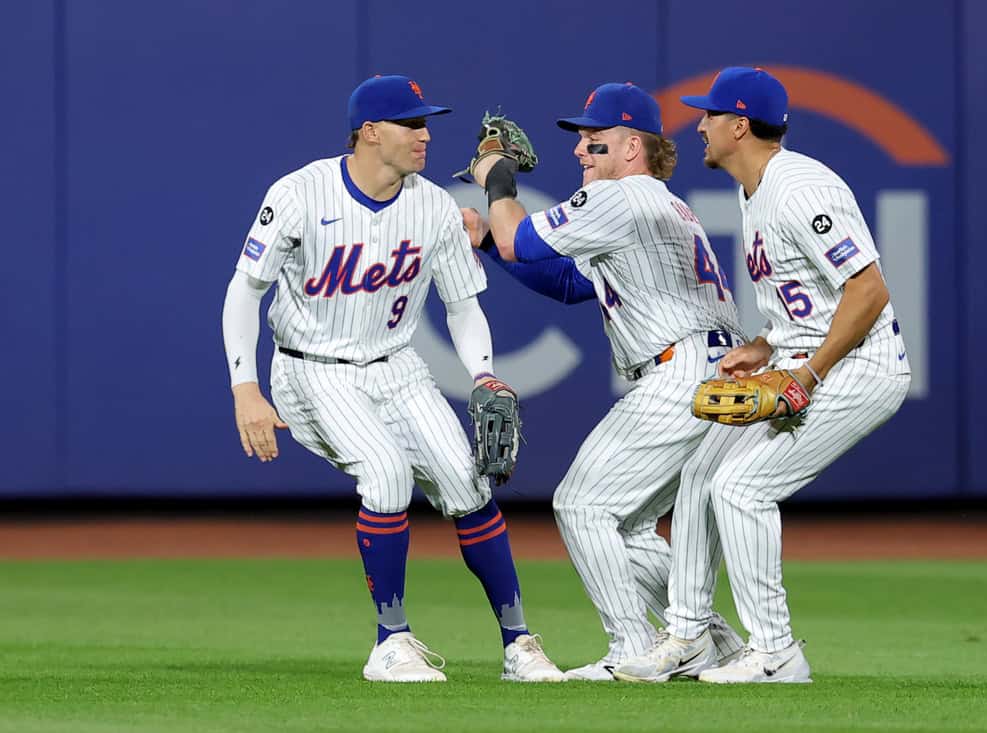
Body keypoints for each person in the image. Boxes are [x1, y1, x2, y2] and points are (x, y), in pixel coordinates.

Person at [220, 74, 564, 683]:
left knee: (467, 483)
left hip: (400, 367)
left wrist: (484, 376)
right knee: (385, 473)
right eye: (412, 124)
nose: (426, 135)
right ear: (370, 132)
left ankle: (518, 643)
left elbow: (462, 306)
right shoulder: (302, 192)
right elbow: (245, 290)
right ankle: (391, 642)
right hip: (314, 371)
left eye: (426, 123)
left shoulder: (432, 205)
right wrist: (246, 387)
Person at [614, 67, 911, 684]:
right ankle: (689, 637)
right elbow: (809, 297)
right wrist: (763, 344)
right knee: (699, 474)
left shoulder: (799, 188)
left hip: (859, 367)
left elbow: (869, 290)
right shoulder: (754, 191)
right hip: (801, 357)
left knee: (742, 488)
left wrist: (807, 374)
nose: (699, 125)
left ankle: (776, 651)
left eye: (710, 116)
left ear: (739, 125)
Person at [462, 82, 747, 681]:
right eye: (582, 143)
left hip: (680, 374)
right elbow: (569, 283)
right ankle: (710, 642)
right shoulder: (655, 206)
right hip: (708, 372)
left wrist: (497, 177)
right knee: (629, 523)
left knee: (581, 504)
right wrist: (487, 242)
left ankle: (633, 648)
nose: (580, 153)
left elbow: (520, 236)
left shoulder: (625, 198)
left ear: (633, 148)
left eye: (595, 143)